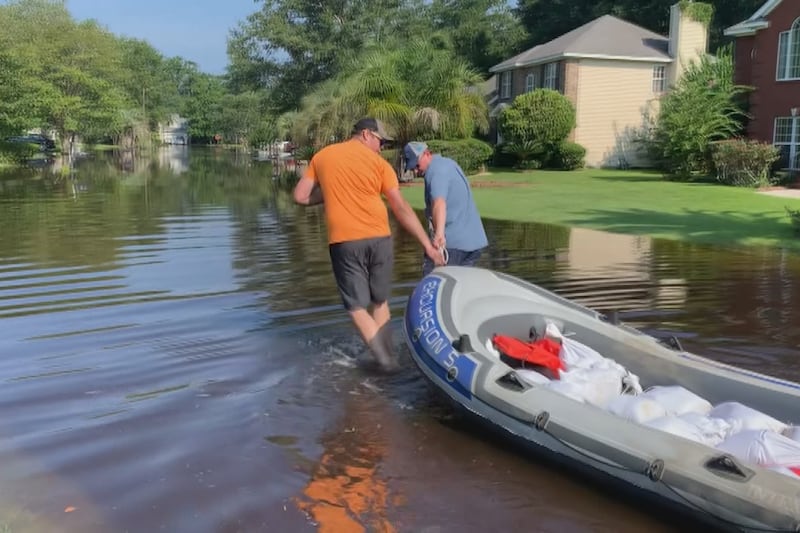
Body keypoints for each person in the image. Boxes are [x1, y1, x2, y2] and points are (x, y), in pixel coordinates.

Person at [292, 118, 444, 371]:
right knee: (380, 301)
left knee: (354, 306)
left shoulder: (323, 157)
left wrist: (329, 192)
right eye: (380, 140)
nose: (381, 146)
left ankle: (385, 361)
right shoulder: (380, 166)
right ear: (365, 134)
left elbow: (300, 195)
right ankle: (391, 357)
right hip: (380, 238)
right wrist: (427, 245)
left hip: (345, 241)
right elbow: (401, 208)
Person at [403, 141, 488, 276]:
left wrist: (439, 236)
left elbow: (439, 202)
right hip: (473, 243)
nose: (415, 171)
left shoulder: (435, 171)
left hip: (454, 246)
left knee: (432, 285)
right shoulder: (448, 164)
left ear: (427, 154)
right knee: (460, 289)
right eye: (412, 167)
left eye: (417, 165)